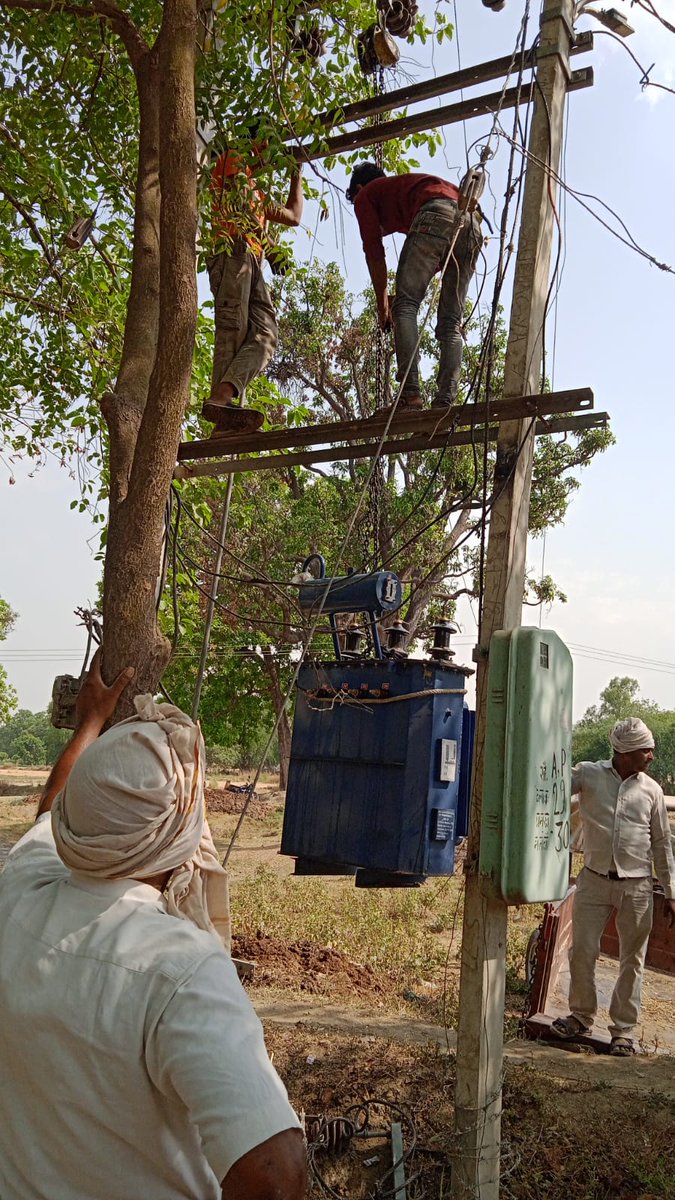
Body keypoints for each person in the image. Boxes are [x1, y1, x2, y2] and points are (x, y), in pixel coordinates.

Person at [0, 651, 306, 1200]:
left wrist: (91, 722)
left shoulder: (18, 892)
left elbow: (50, 813)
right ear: (175, 835)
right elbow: (275, 1176)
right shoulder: (182, 973)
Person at [551, 716, 675, 1057]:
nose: (651, 756)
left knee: (632, 960)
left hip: (637, 887)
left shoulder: (651, 791)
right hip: (593, 879)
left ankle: (623, 1031)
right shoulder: (589, 774)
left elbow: (662, 845)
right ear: (625, 753)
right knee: (582, 952)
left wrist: (671, 892)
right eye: (645, 750)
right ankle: (580, 1016)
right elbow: (550, 783)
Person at [346, 163, 483, 410]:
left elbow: (374, 253)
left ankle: (410, 395)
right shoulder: (405, 188)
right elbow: (438, 256)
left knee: (405, 307)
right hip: (472, 225)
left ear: (358, 187)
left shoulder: (365, 195)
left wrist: (383, 305)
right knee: (451, 321)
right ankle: (445, 401)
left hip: (435, 215)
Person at [203, 135, 304, 431]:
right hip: (233, 251)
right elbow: (242, 209)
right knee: (234, 329)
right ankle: (221, 409)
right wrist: (272, 249)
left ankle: (224, 406)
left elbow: (293, 216)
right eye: (267, 149)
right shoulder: (234, 159)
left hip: (252, 260)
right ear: (257, 142)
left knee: (265, 335)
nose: (269, 160)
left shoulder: (256, 188)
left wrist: (295, 171)